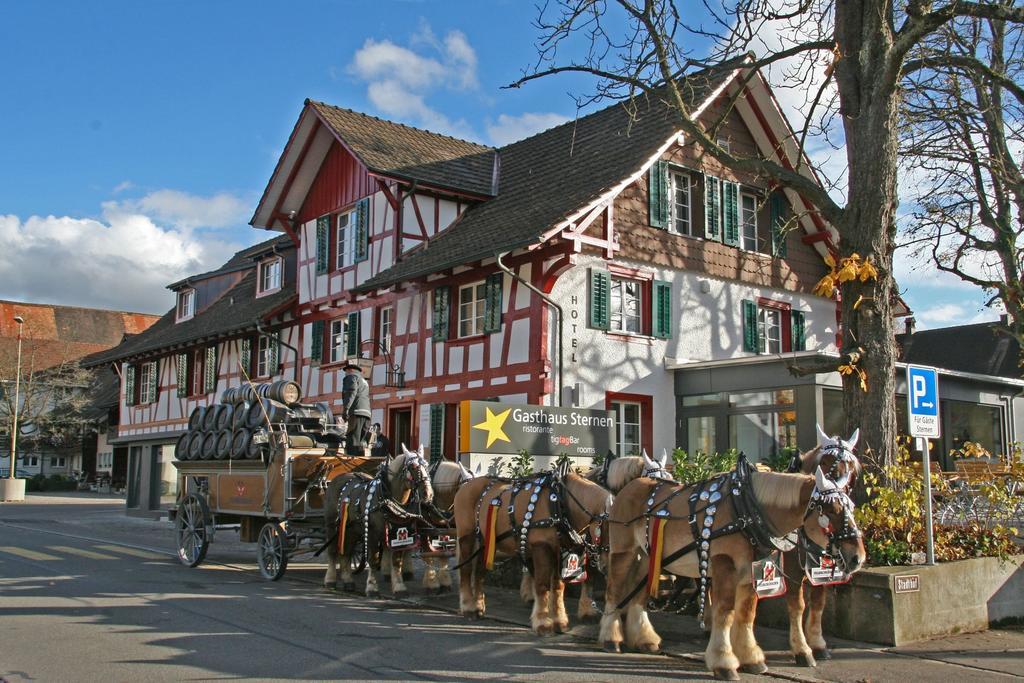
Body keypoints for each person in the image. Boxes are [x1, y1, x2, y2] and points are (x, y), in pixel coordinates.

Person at [341, 360, 371, 455]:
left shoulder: (351, 377)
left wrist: (346, 409)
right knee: (360, 443)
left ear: (350, 370)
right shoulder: (364, 381)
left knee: (352, 441)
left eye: (346, 371)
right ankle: (360, 466)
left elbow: (351, 392)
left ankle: (350, 466)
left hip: (356, 412)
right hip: (367, 414)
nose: (345, 373)